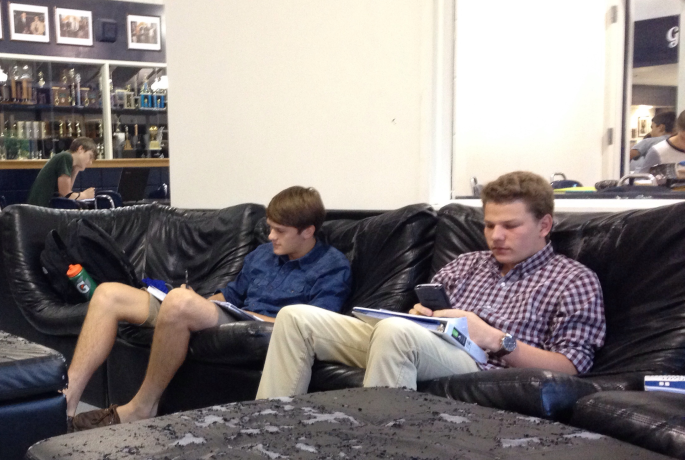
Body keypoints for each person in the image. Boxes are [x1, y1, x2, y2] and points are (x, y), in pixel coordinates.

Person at [256, 171, 606, 399]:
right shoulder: (466, 264)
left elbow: (571, 368)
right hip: (423, 345)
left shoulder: (572, 280)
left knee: (396, 333)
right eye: (489, 225)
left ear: (545, 225)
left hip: (482, 365)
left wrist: (494, 338)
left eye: (510, 226)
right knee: (296, 316)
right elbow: (418, 319)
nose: (495, 236)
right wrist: (420, 314)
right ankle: (268, 433)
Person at [69, 186, 353, 430]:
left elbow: (315, 325)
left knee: (180, 304)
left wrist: (196, 306)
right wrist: (199, 301)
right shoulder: (263, 255)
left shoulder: (331, 266)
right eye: (269, 227)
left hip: (265, 329)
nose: (270, 237)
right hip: (229, 316)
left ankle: (142, 407)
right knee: (108, 294)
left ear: (308, 231)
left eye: (279, 231)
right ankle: (64, 406)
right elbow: (229, 294)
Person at [26, 138, 97, 206]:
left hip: (42, 208)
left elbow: (66, 196)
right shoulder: (65, 157)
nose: (90, 162)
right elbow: (65, 194)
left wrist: (76, 169)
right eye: (90, 157)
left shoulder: (68, 160)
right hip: (41, 209)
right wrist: (85, 195)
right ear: (80, 149)